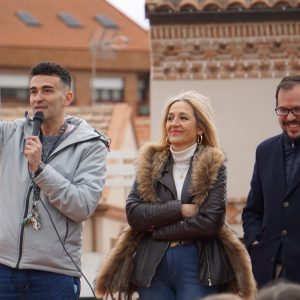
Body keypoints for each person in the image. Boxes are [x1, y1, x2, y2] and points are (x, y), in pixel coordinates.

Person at [95, 91, 256, 300]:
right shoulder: (150, 162)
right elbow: (134, 214)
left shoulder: (213, 163)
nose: (174, 123)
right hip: (153, 264)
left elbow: (210, 222)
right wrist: (180, 209)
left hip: (197, 264)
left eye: (183, 117)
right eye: (170, 118)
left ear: (200, 127)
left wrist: (158, 230)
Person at [0, 62, 109, 299]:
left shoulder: (91, 146)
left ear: (67, 97)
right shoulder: (9, 134)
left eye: (47, 90)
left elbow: (82, 206)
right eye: (33, 91)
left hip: (53, 277)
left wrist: (40, 169)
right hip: (3, 271)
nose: (38, 97)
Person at [242, 75, 300, 288]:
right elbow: (252, 211)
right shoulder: (265, 151)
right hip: (270, 273)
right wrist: (255, 242)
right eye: (283, 110)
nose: (290, 117)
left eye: (297, 109)